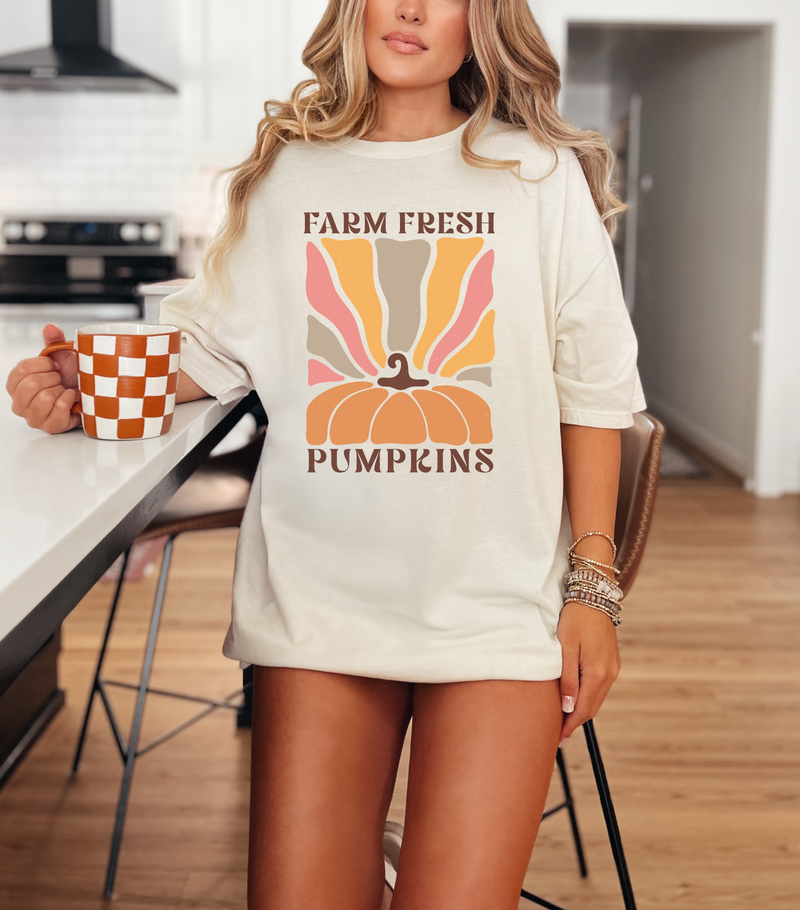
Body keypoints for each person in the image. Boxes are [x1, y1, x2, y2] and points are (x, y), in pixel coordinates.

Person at [6, 1, 647, 908]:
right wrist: (75, 385)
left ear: (484, 18)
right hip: (320, 603)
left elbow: (594, 391)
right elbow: (211, 353)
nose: (412, 8)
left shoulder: (537, 175)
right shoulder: (289, 174)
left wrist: (593, 588)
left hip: (498, 609)